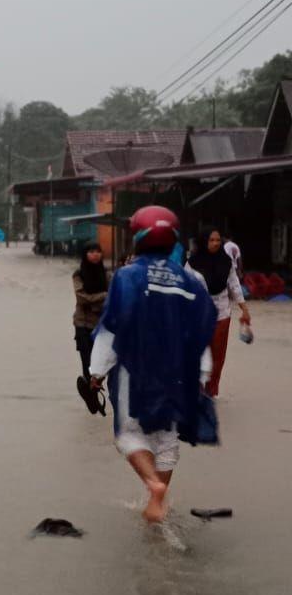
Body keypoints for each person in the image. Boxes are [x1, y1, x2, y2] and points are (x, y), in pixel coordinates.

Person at [89, 205, 217, 523]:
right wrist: (203, 371)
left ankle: (154, 486)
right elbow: (200, 329)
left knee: (129, 434)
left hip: (138, 370)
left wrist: (96, 371)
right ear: (174, 237)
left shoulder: (127, 276)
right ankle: (158, 500)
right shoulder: (191, 279)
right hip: (181, 371)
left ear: (139, 237)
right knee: (167, 438)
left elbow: (112, 326)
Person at [188, 228, 251, 397]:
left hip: (221, 312)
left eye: (218, 240)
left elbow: (234, 284)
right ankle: (196, 388)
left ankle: (211, 390)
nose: (215, 243)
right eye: (211, 240)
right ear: (204, 241)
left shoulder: (226, 261)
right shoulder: (192, 263)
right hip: (198, 314)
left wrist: (244, 309)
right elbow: (184, 287)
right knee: (197, 352)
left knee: (218, 355)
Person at [72, 241, 108, 380]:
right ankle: (90, 395)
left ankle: (97, 394)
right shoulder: (79, 274)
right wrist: (103, 296)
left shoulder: (106, 274)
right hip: (83, 324)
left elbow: (113, 296)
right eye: (91, 252)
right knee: (87, 364)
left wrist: (95, 299)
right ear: (85, 255)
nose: (95, 255)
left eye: (98, 252)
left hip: (101, 324)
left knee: (101, 365)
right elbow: (81, 298)